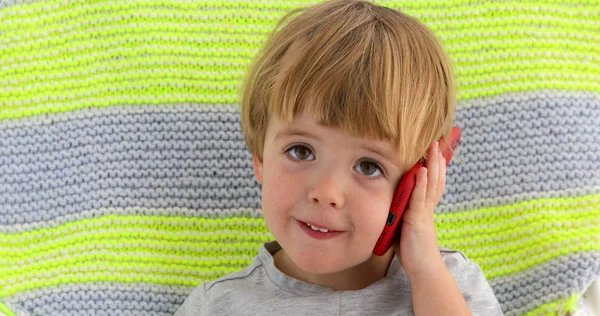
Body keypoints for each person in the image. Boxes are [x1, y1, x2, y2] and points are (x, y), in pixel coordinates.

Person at [175, 0, 503, 314]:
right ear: (260, 155)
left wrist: (426, 270)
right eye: (301, 151)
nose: (326, 192)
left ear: (418, 182)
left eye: (368, 166)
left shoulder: (450, 286)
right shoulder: (217, 304)